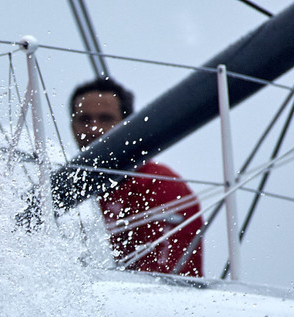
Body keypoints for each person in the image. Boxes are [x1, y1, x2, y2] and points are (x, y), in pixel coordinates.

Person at [70, 76, 204, 276]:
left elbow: (165, 280)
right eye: (85, 120)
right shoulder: (66, 187)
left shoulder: (161, 185)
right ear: (72, 126)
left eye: (105, 119)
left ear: (128, 126)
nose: (93, 129)